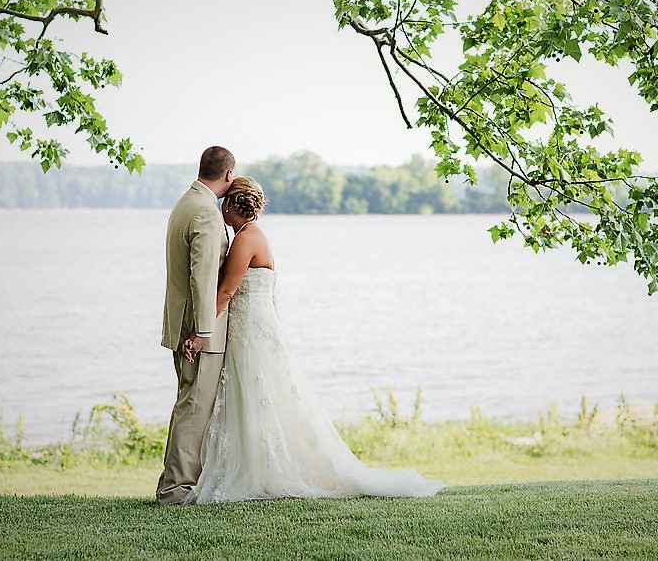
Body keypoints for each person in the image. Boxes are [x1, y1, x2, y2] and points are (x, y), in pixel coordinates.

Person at [182, 176, 443, 504]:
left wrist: (199, 334)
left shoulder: (246, 240)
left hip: (251, 333)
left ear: (234, 204)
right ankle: (259, 466)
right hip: (251, 328)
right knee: (255, 399)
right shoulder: (252, 236)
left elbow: (226, 291)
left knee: (258, 394)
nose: (221, 208)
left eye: (225, 202)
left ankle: (267, 471)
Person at [155, 146, 236, 506]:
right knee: (194, 407)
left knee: (188, 402)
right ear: (228, 175)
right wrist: (203, 331)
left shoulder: (186, 202)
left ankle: (175, 481)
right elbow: (202, 278)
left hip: (181, 320)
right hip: (197, 329)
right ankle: (176, 490)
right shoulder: (206, 212)